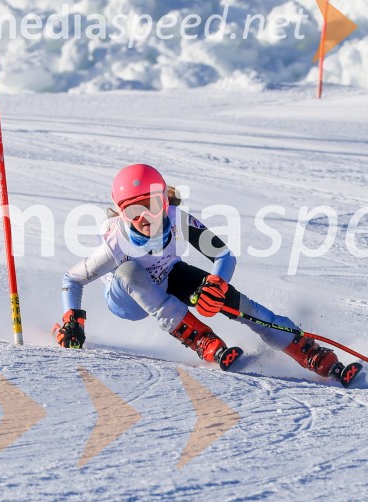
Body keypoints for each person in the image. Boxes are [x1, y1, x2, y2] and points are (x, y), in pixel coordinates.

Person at [57, 163, 348, 383]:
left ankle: (304, 350)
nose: (145, 218)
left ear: (165, 201)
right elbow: (72, 279)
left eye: (153, 206)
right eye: (134, 212)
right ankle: (201, 339)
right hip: (127, 300)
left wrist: (217, 285)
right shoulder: (114, 244)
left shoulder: (176, 219)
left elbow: (223, 254)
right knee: (131, 270)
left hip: (167, 276)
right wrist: (73, 320)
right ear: (122, 214)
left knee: (231, 301)